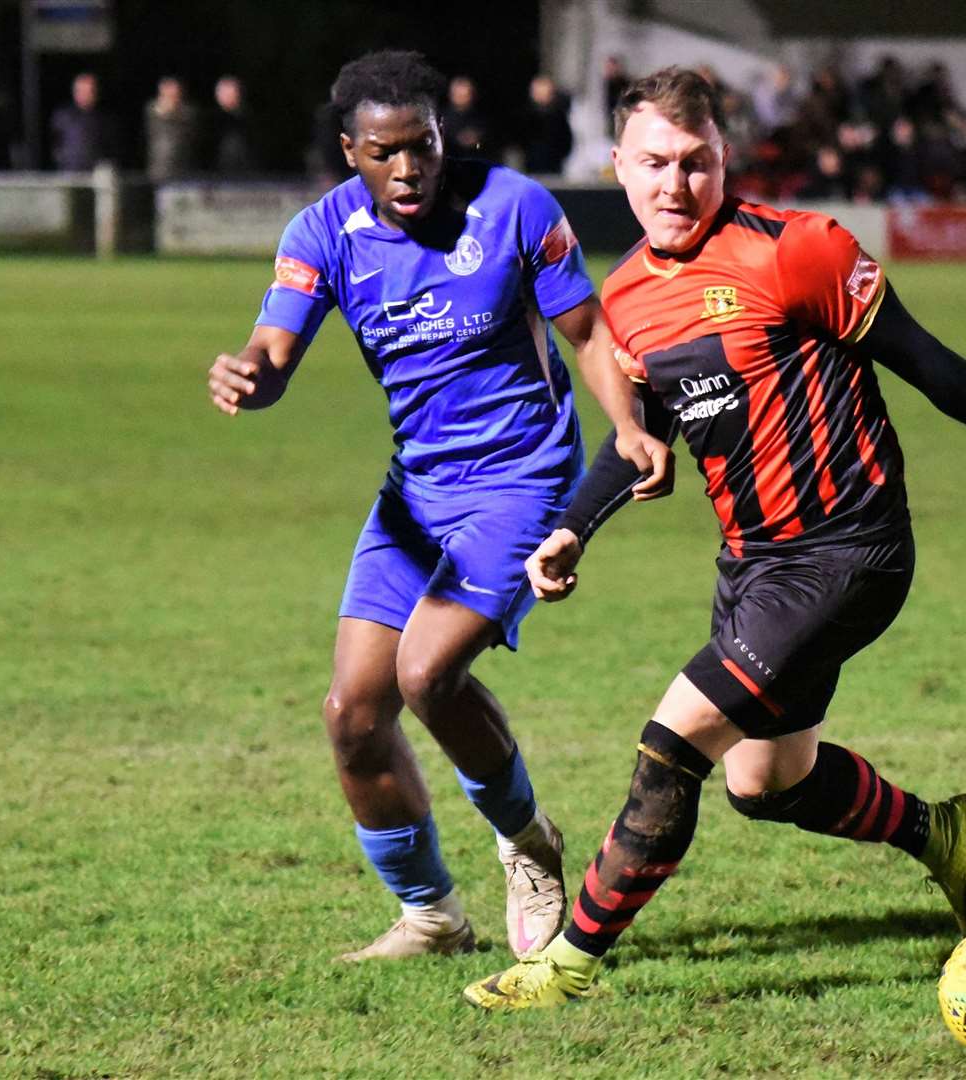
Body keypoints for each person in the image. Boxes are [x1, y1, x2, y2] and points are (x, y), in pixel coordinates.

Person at [464, 67, 966, 1010]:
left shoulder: (796, 251)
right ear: (617, 167)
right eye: (653, 164)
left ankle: (565, 966)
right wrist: (570, 530)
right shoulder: (631, 299)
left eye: (696, 162)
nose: (675, 184)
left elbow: (929, 363)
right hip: (753, 564)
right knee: (766, 784)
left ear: (725, 158)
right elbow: (640, 440)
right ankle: (942, 836)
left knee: (672, 741)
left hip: (849, 551)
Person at [206, 51, 669, 964]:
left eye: (421, 146)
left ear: (442, 135)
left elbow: (586, 333)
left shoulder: (515, 208)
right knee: (352, 712)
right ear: (350, 153)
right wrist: (247, 376)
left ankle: (529, 847)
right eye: (385, 153)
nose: (409, 169)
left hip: (523, 480)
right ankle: (431, 917)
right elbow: (272, 351)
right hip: (415, 493)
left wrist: (627, 426)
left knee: (426, 675)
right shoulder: (322, 233)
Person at [50, 71, 121, 171]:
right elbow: (55, 144)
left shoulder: (107, 119)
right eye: (81, 91)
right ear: (75, 92)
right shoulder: (62, 116)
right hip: (69, 171)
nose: (85, 95)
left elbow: (114, 148)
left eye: (90, 91)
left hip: (98, 174)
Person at [145, 75, 199, 182]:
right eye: (167, 93)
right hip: (159, 170)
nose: (171, 97)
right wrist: (166, 110)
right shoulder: (153, 110)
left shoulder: (188, 113)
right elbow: (155, 115)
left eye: (174, 94)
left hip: (183, 170)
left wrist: (174, 110)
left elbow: (192, 133)